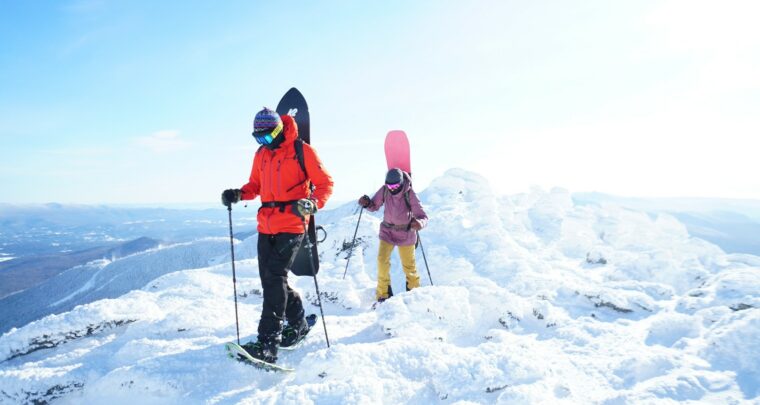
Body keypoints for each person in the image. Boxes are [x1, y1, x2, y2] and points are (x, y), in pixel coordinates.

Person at [222, 107, 333, 364]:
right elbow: (255, 186)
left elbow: (326, 183)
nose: (264, 143)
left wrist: (313, 203)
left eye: (268, 138)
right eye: (258, 139)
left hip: (292, 223)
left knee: (274, 278)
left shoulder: (301, 151)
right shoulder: (261, 154)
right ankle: (299, 322)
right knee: (270, 280)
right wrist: (239, 194)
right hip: (266, 225)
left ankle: (268, 344)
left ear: (279, 130)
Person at [358, 168, 428, 303]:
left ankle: (414, 294)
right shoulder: (385, 190)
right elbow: (374, 206)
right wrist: (367, 203)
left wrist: (419, 223)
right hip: (387, 232)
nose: (392, 189)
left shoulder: (409, 193)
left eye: (395, 186)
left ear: (402, 183)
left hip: (406, 232)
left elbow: (423, 216)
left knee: (409, 266)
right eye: (389, 186)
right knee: (381, 261)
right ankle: (383, 295)